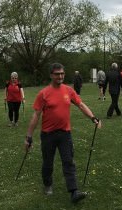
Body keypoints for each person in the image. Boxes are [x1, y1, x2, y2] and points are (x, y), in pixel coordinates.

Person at [24, 63, 101, 204]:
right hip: (48, 135)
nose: (60, 76)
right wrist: (28, 137)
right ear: (51, 75)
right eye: (57, 74)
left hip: (65, 134)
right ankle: (47, 184)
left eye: (62, 74)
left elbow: (81, 104)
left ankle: (74, 191)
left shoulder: (68, 90)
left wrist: (93, 117)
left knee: (68, 162)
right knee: (48, 163)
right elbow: (36, 115)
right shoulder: (43, 94)